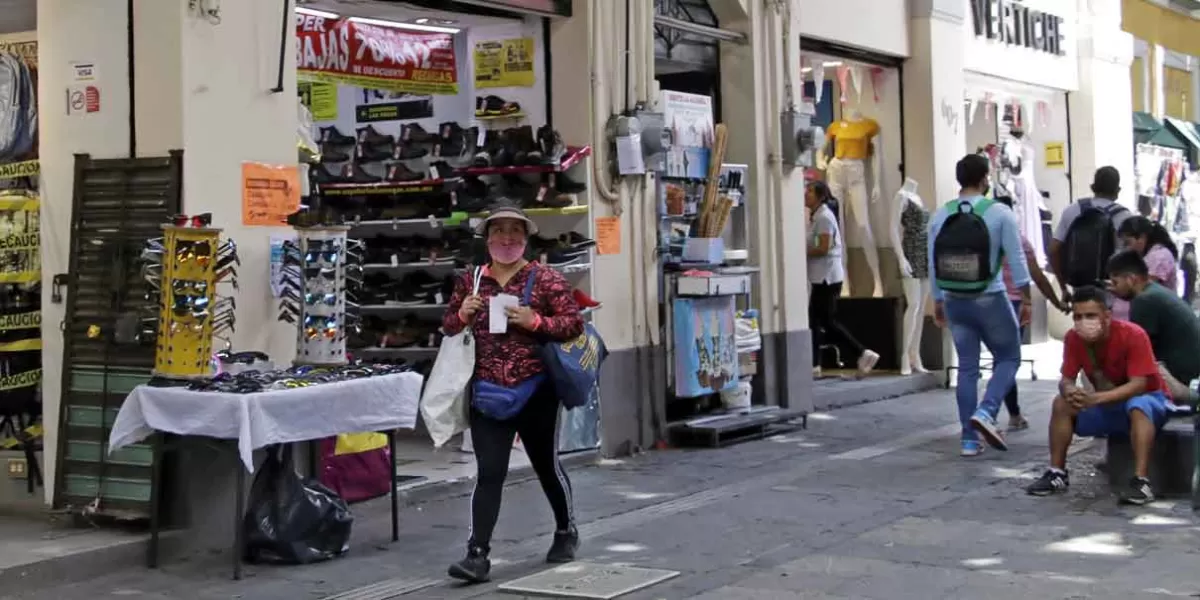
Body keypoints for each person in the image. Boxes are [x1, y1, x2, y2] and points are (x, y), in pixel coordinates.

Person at [441, 205, 585, 583]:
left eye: (515, 232)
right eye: (500, 231)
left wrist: (536, 321)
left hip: (537, 390)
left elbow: (573, 324)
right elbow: (449, 327)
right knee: (489, 472)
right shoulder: (470, 281)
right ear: (487, 238)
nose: (508, 239)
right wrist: (462, 316)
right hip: (488, 391)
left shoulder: (546, 277)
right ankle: (477, 555)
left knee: (545, 464)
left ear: (526, 238)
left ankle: (566, 530)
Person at [1026, 285, 1173, 504]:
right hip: (1109, 404)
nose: (1084, 322)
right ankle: (1057, 472)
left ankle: (1142, 481)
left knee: (1138, 404)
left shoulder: (1133, 335)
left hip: (1150, 401)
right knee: (1061, 404)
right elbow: (1066, 377)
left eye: (1091, 315)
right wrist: (1069, 390)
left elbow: (1139, 385)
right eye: (1078, 316)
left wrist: (1095, 398)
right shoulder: (1073, 339)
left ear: (1107, 316)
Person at [929, 154, 1030, 457]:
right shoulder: (999, 213)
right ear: (985, 178)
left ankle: (969, 440)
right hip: (991, 295)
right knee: (1009, 357)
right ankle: (987, 410)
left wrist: (937, 300)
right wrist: (1027, 297)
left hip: (954, 298)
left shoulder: (939, 215)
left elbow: (933, 264)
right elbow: (1017, 259)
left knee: (968, 368)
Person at [996, 194, 1069, 431]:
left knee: (998, 361)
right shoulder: (1019, 240)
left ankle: (997, 412)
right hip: (1014, 304)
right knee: (1007, 360)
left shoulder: (983, 239)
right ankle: (1007, 413)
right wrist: (1056, 302)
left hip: (985, 302)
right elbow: (1037, 276)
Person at [805, 180, 880, 378]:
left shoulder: (824, 218)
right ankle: (816, 364)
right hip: (820, 277)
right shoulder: (815, 217)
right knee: (816, 321)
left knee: (824, 321)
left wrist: (800, 250)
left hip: (827, 278)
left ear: (821, 196)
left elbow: (823, 247)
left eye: (810, 191)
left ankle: (862, 352)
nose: (806, 194)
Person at [1107, 249, 1200, 404]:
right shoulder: (1154, 292)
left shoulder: (1144, 300)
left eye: (1116, 283)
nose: (1114, 288)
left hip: (1182, 372)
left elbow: (1138, 351)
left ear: (1131, 279)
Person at [1049, 166, 1131, 303]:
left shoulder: (1073, 209)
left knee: (1082, 321)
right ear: (1118, 191)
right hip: (1111, 292)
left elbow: (1053, 249)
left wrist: (1063, 287)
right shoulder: (1124, 217)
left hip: (1079, 287)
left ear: (1092, 187)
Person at [1117, 215, 1179, 294]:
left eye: (1128, 243)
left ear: (1142, 237)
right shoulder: (1148, 255)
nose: (1126, 248)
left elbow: (1142, 289)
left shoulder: (1159, 257)